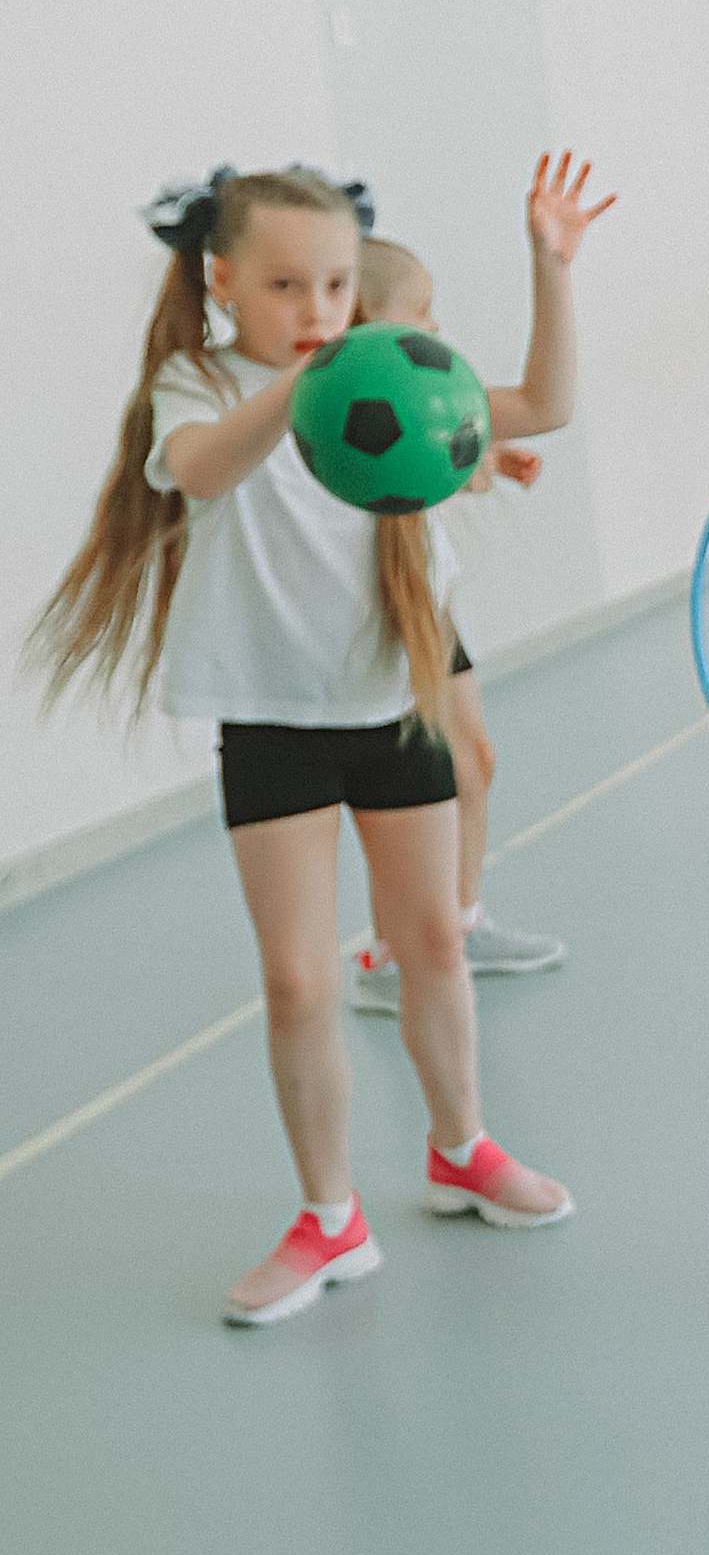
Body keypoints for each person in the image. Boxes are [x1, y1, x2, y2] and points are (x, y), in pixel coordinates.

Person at [28, 161, 600, 1325]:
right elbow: (198, 472)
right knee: (298, 981)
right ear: (224, 279)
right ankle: (329, 1214)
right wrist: (293, 392)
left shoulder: (383, 366)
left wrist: (550, 265)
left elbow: (542, 402)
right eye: (287, 284)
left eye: (337, 284)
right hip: (273, 720)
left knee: (432, 940)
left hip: (392, 705)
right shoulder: (196, 384)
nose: (317, 309)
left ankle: (461, 1147)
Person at [344, 230, 566, 1013]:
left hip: (428, 609)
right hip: (387, 622)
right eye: (422, 313)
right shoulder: (341, 410)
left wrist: (487, 467)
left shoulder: (403, 398)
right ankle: (388, 951)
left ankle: (462, 920)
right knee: (404, 793)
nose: (434, 330)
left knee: (474, 763)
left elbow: (432, 464)